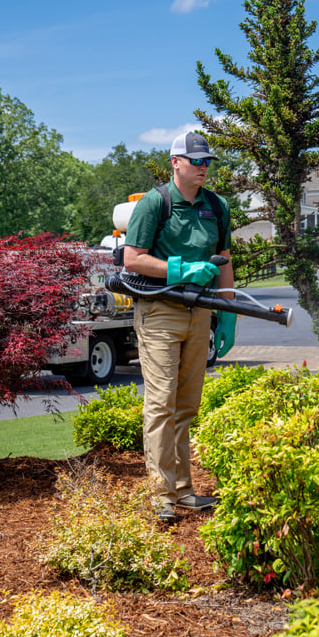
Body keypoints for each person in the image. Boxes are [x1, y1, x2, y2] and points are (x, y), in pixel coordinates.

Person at [122, 131, 234, 523]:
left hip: (200, 311)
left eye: (207, 162)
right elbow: (132, 260)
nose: (203, 168)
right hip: (161, 312)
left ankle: (183, 490)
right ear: (175, 162)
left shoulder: (216, 207)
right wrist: (180, 268)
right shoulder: (156, 203)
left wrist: (228, 313)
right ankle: (160, 495)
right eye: (196, 161)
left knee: (186, 405)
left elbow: (224, 260)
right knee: (160, 404)